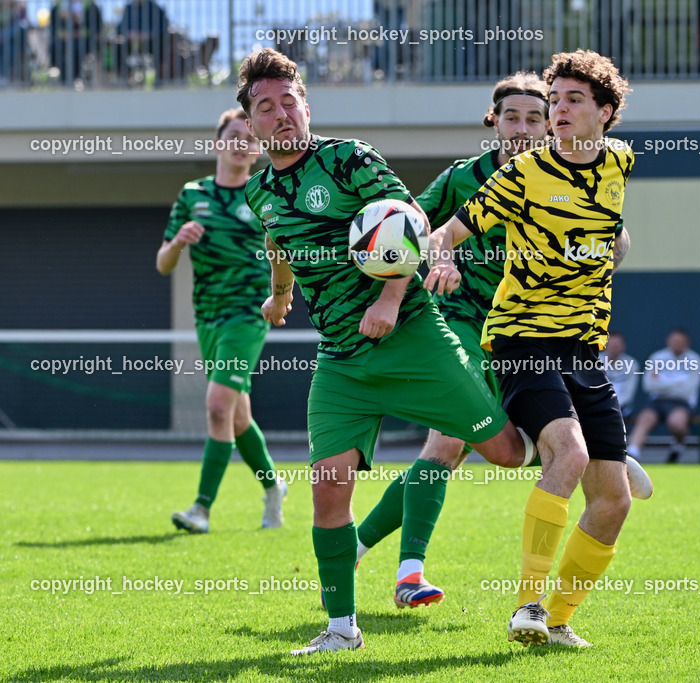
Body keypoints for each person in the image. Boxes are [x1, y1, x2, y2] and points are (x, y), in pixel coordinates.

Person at [236, 48, 534, 655]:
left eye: (289, 101)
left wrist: (391, 299)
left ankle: (565, 440)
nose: (282, 114)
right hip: (343, 358)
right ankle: (341, 629)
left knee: (505, 454)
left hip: (413, 337)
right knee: (327, 483)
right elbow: (278, 238)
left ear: (305, 106)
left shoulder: (347, 159)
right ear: (252, 124)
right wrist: (279, 294)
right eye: (267, 108)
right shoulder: (260, 190)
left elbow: (412, 220)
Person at [425, 48, 634, 648]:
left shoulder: (620, 162)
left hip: (583, 347)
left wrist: (611, 245)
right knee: (566, 455)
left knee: (613, 502)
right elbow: (447, 231)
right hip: (522, 336)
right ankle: (529, 607)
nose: (559, 110)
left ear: (605, 112)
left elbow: (611, 227)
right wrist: (442, 259)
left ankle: (562, 619)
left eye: (573, 101)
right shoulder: (521, 173)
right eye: (556, 100)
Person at [354, 71, 551, 611]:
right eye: (511, 116)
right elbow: (407, 227)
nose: (523, 127)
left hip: (524, 335)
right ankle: (410, 575)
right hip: (459, 325)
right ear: (494, 121)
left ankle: (355, 545)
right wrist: (438, 254)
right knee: (445, 442)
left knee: (453, 455)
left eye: (534, 117)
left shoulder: (563, 185)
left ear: (551, 124)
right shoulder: (463, 179)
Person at [158, 107, 286, 535]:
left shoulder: (264, 192)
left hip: (248, 315)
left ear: (258, 148)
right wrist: (178, 242)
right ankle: (274, 488)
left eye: (250, 138)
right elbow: (163, 264)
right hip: (207, 317)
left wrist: (279, 295)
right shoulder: (192, 194)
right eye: (233, 135)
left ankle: (201, 508)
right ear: (218, 143)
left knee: (216, 405)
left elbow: (284, 252)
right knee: (235, 416)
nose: (241, 143)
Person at [626, 329, 700, 463]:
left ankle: (678, 445)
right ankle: (633, 455)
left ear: (687, 343)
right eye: (674, 341)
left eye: (680, 342)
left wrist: (661, 383)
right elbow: (649, 385)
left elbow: (687, 391)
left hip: (682, 402)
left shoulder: (695, 360)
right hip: (657, 401)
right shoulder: (657, 357)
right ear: (668, 342)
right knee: (645, 419)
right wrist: (677, 384)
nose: (677, 344)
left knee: (677, 423)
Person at [49, 0, 103, 85]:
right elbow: (53, 29)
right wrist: (63, 34)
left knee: (77, 48)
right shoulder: (58, 7)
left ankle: (76, 78)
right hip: (63, 41)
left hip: (84, 41)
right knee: (55, 48)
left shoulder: (91, 6)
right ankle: (63, 79)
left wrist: (80, 33)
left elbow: (96, 29)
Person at [599, 331, 639, 420]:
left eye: (617, 345)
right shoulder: (594, 362)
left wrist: (611, 405)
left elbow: (628, 394)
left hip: (622, 407)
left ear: (623, 346)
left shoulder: (632, 364)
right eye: (612, 345)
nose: (615, 348)